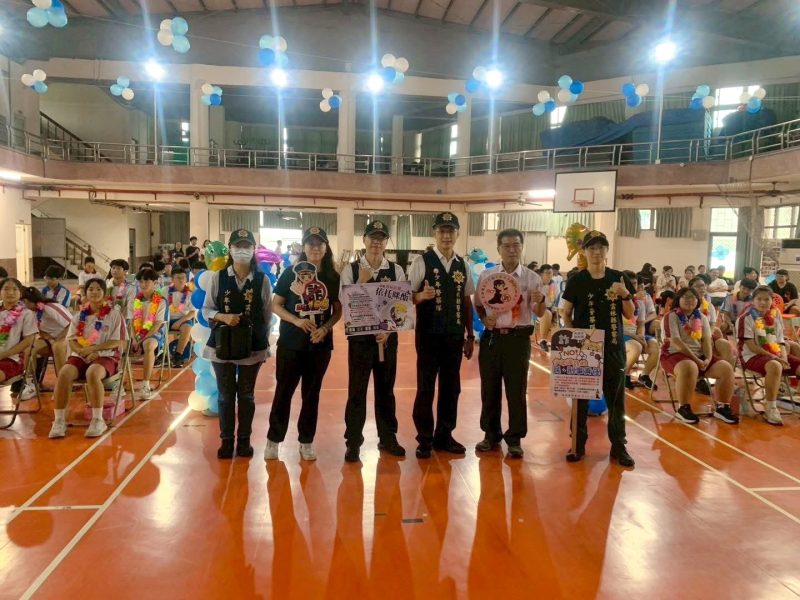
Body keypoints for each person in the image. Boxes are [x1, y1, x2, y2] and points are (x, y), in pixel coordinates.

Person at [560, 230, 636, 467]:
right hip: (585, 349)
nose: (596, 252)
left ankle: (619, 447)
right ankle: (577, 445)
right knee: (580, 400)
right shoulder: (576, 281)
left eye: (601, 247)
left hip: (613, 347)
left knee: (616, 401)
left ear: (607, 250)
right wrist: (574, 339)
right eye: (591, 248)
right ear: (584, 252)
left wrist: (625, 295)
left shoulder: (618, 278)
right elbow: (566, 313)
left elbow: (630, 314)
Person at [265, 227, 341, 461]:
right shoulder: (290, 273)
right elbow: (275, 305)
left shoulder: (333, 277)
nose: (315, 248)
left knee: (311, 394)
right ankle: (273, 440)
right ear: (304, 247)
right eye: (311, 244)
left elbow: (337, 310)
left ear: (326, 248)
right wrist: (297, 321)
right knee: (284, 392)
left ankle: (306, 441)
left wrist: (325, 328)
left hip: (319, 346)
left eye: (320, 244)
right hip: (290, 344)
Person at [409, 212, 475, 459]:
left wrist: (470, 336)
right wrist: (420, 296)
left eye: (451, 231)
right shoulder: (421, 262)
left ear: (457, 234)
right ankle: (424, 438)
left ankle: (444, 435)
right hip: (428, 336)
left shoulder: (463, 264)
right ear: (434, 233)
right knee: (426, 387)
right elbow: (406, 296)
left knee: (451, 388)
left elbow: (466, 301)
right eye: (442, 231)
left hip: (454, 337)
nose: (446, 236)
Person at [339, 220, 406, 463]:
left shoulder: (396, 270)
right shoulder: (351, 269)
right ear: (364, 240)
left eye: (381, 238)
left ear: (386, 242)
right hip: (360, 340)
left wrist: (388, 331)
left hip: (386, 339)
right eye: (372, 238)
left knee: (386, 391)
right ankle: (353, 442)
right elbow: (345, 302)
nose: (376, 242)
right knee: (357, 391)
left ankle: (388, 437)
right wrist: (362, 280)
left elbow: (401, 306)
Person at [474, 228, 544, 458]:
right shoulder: (488, 276)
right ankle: (490, 435)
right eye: (507, 246)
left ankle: (514, 438)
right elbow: (479, 304)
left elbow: (540, 312)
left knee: (517, 390)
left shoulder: (532, 278)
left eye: (516, 245)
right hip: (492, 339)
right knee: (489, 388)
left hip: (518, 340)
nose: (512, 250)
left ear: (522, 247)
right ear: (499, 249)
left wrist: (541, 300)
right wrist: (484, 319)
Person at [202, 229, 272, 459]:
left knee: (246, 396)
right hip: (222, 345)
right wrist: (223, 317)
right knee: (225, 396)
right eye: (237, 246)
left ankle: (244, 441)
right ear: (230, 249)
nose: (242, 250)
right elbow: (206, 309)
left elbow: (267, 314)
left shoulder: (262, 280)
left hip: (252, 347)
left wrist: (262, 341)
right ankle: (226, 441)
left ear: (253, 250)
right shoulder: (218, 277)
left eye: (247, 246)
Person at [48, 278, 124, 439]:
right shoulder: (78, 316)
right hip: (81, 354)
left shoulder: (115, 315)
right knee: (64, 374)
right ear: (85, 293)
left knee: (93, 373)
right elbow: (72, 340)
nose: (94, 292)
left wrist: (94, 350)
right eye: (91, 289)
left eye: (98, 289)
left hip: (106, 356)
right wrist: (81, 351)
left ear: (105, 293)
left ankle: (98, 420)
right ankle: (59, 420)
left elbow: (118, 341)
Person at [660, 287, 737, 425]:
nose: (689, 300)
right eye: (685, 297)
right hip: (674, 354)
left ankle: (722, 407)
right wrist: (696, 359)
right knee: (690, 366)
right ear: (678, 299)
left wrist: (708, 358)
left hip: (700, 355)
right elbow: (676, 342)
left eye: (693, 297)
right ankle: (683, 408)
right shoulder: (671, 316)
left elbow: (707, 340)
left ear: (698, 301)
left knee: (726, 368)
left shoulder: (701, 317)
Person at [736, 285, 800, 426]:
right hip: (751, 356)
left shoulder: (774, 318)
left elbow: (781, 342)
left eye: (766, 299)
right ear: (753, 300)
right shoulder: (746, 318)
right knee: (775, 365)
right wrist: (776, 358)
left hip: (774, 354)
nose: (763, 302)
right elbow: (751, 346)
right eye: (759, 299)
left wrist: (783, 357)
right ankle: (771, 407)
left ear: (772, 301)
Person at [18, 286, 72, 399]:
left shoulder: (50, 308)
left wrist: (59, 339)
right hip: (49, 339)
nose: (23, 305)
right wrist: (45, 336)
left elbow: (72, 323)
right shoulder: (30, 312)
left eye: (24, 302)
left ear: (31, 301)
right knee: (29, 348)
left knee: (57, 347)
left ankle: (62, 385)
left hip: (67, 336)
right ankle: (31, 384)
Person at [128, 268, 167, 400]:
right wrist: (134, 339)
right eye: (141, 281)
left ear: (155, 283)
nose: (143, 284)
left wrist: (141, 339)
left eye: (147, 281)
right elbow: (132, 322)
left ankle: (146, 384)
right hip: (136, 333)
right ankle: (119, 382)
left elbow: (157, 324)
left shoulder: (161, 301)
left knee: (149, 345)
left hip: (154, 333)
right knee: (120, 345)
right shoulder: (134, 301)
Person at [0, 278, 37, 389]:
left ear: (20, 293)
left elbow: (28, 340)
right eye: (6, 289)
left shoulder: (26, 314)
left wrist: (5, 354)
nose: (10, 292)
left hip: (12, 359)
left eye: (14, 289)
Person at [631, 278, 661, 390]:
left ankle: (644, 375)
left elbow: (653, 314)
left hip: (642, 326)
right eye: (638, 286)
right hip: (628, 331)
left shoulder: (645, 298)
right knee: (635, 346)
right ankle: (625, 375)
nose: (641, 289)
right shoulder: (621, 298)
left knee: (655, 346)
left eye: (643, 287)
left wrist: (642, 322)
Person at [166, 268, 196, 368]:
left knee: (187, 327)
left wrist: (179, 322)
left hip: (183, 319)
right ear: (172, 279)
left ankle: (178, 355)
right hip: (166, 319)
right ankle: (160, 354)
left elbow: (192, 312)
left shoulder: (190, 293)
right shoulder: (164, 291)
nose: (181, 280)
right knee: (157, 324)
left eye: (183, 277)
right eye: (178, 277)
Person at [537, 263, 558, 351]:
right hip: (536, 309)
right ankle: (543, 340)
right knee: (547, 313)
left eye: (551, 273)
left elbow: (554, 300)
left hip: (550, 308)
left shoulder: (553, 284)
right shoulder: (537, 284)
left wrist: (554, 309)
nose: (550, 275)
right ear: (541, 274)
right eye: (547, 273)